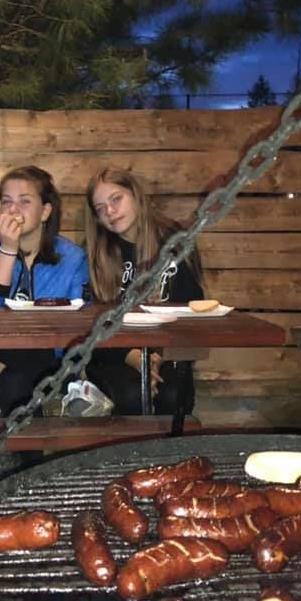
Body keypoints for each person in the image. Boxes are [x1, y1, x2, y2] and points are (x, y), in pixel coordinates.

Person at [0, 166, 89, 467]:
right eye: (6, 201)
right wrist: (7, 252)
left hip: (51, 353)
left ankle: (31, 467)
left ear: (45, 211)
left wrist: (8, 357)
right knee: (12, 375)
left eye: (24, 201)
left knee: (13, 379)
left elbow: (75, 324)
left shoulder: (72, 257)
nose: (13, 210)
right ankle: (32, 465)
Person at [82, 167, 205, 418]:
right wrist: (133, 357)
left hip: (167, 351)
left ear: (136, 195)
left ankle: (174, 446)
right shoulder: (97, 254)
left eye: (116, 199)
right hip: (113, 353)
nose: (110, 211)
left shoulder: (174, 241)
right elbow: (90, 323)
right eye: (101, 208)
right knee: (133, 394)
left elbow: (192, 307)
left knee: (173, 395)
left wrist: (156, 357)